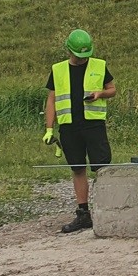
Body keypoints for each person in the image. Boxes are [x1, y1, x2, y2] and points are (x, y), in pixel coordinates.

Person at [44, 28, 116, 234]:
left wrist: (101, 93)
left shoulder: (100, 65)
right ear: (69, 50)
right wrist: (49, 128)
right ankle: (83, 214)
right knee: (77, 168)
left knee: (102, 167)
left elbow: (113, 90)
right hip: (69, 127)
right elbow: (52, 99)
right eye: (79, 55)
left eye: (86, 55)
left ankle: (108, 209)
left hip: (93, 125)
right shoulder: (57, 70)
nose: (83, 59)